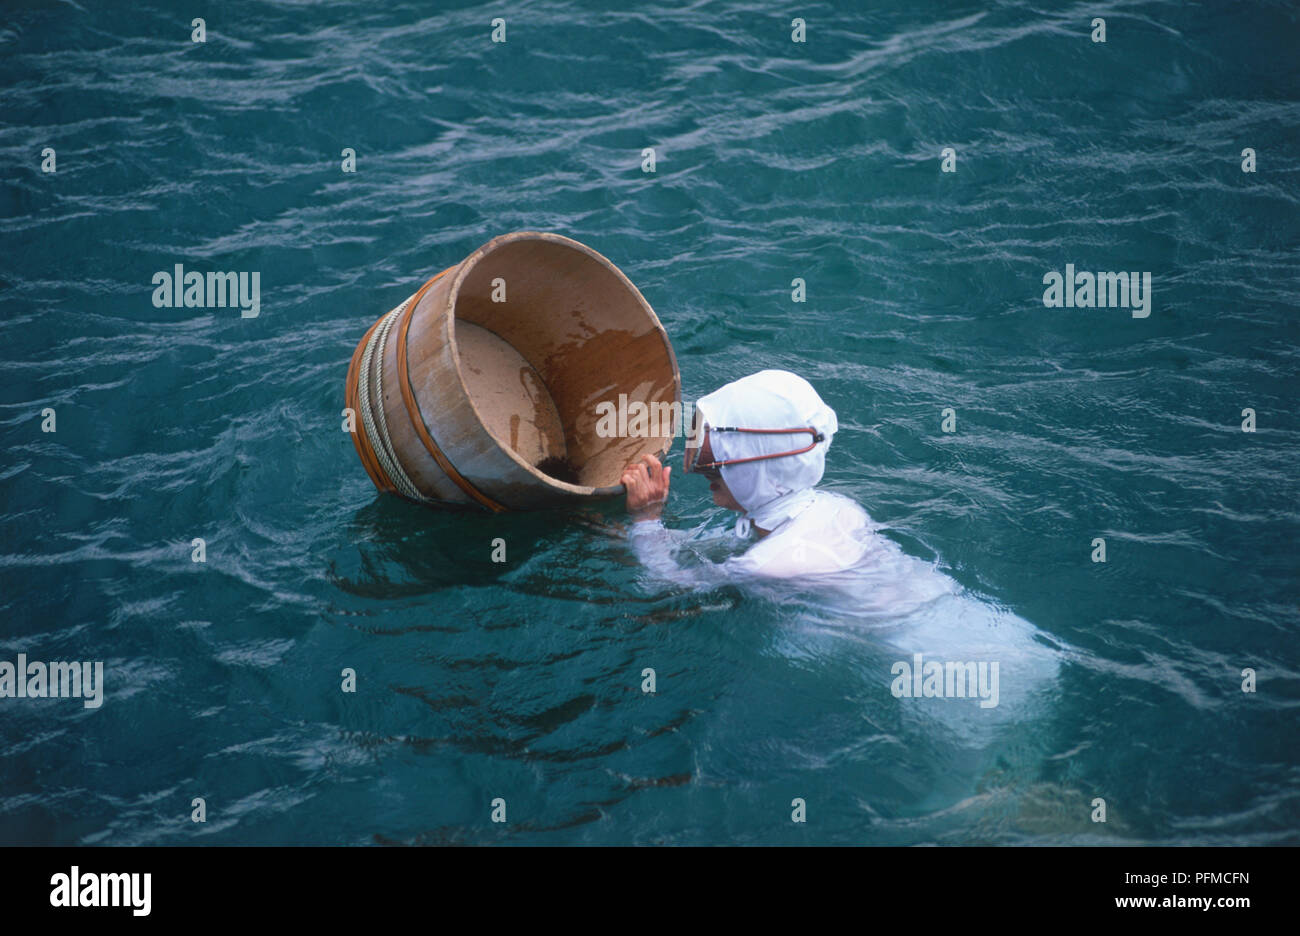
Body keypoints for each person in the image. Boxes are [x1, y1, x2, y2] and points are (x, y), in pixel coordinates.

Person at [621, 369, 879, 581]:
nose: (706, 470)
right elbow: (728, 545)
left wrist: (645, 520)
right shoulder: (837, 508)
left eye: (717, 454)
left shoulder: (764, 567)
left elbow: (665, 583)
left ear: (756, 467)